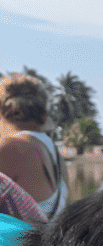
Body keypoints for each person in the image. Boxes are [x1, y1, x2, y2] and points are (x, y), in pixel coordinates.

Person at [0, 73, 68, 221]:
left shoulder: (10, 148)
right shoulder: (55, 152)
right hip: (49, 241)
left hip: (19, 243)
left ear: (7, 109)